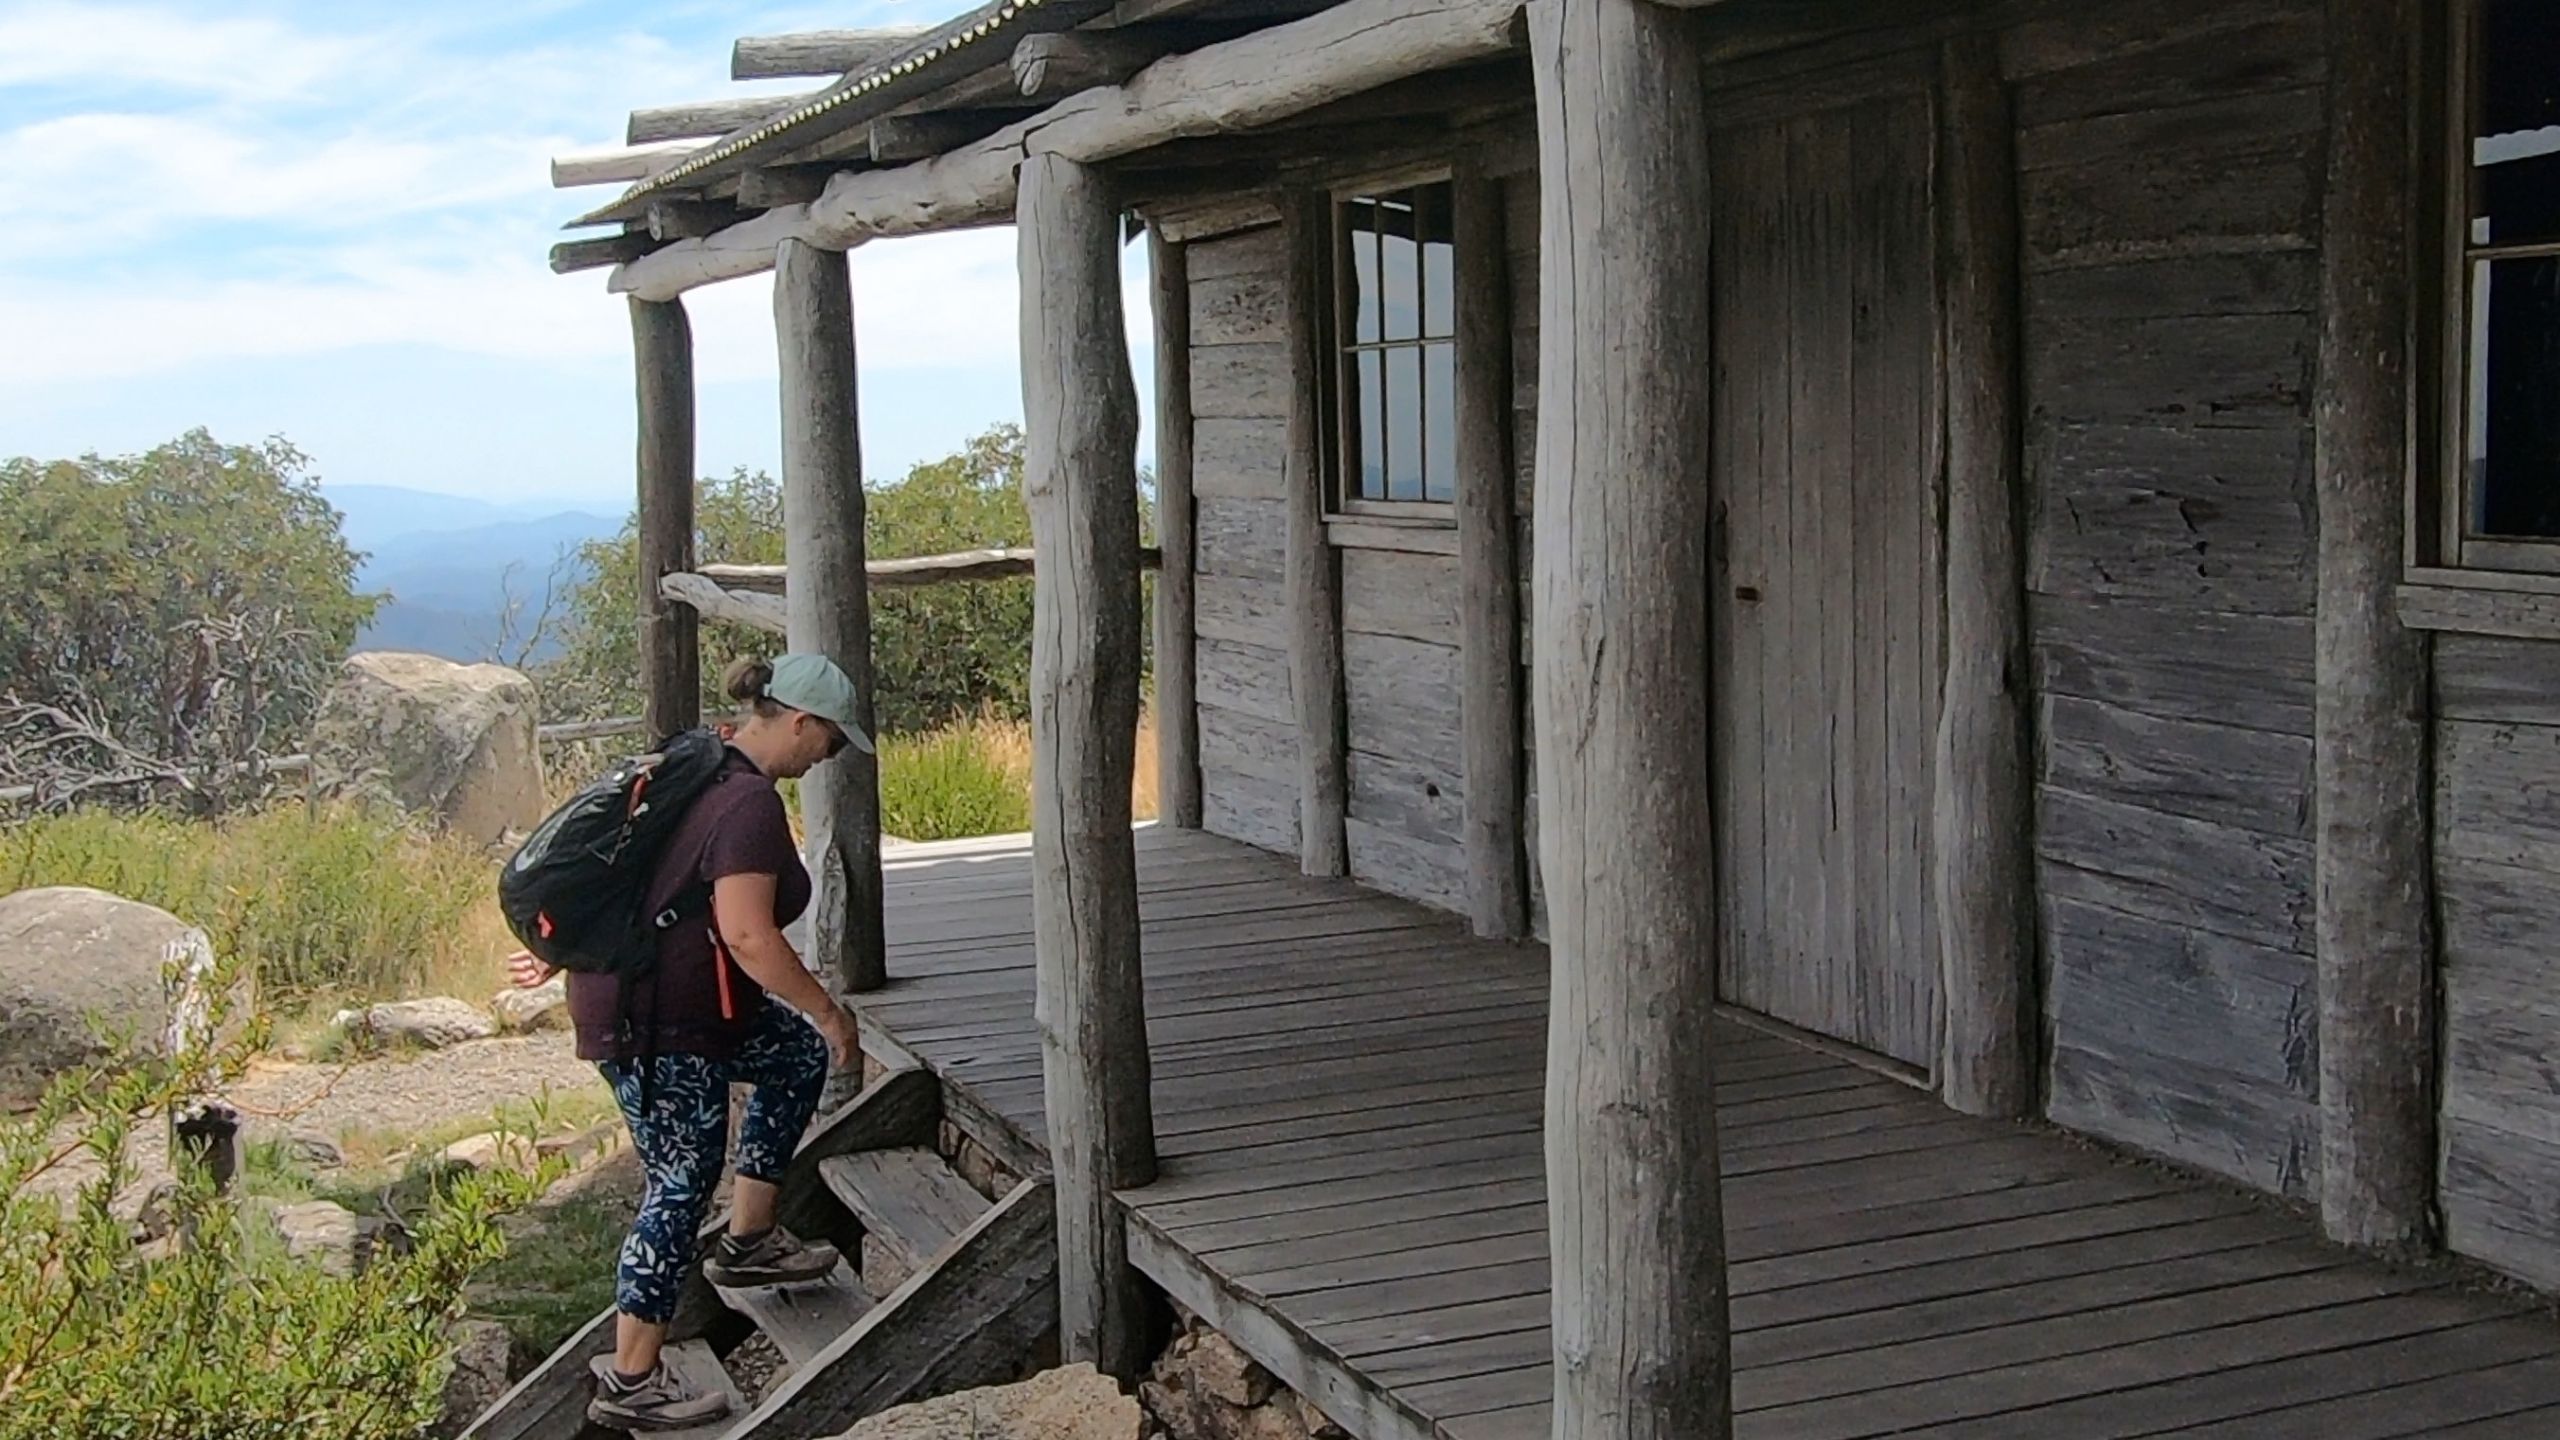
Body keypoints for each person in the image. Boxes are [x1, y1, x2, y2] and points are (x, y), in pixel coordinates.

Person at [505, 652, 875, 1432]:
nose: (828, 759)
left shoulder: (696, 759)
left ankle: (748, 1240)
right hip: (658, 1023)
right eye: (833, 743)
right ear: (802, 723)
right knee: (678, 1181)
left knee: (790, 1058)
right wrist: (831, 1014)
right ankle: (633, 1377)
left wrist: (573, 945)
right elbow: (747, 936)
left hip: (673, 1007)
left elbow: (644, 871)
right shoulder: (746, 805)